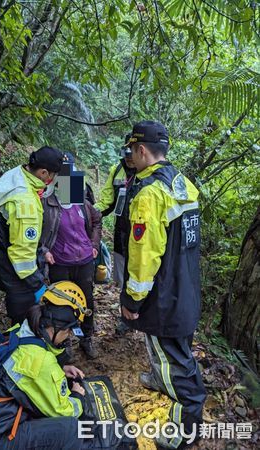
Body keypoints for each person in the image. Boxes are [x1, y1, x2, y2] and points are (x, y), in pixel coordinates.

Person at [121, 120, 206, 450]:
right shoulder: (183, 183)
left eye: (132, 150)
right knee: (177, 352)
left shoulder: (150, 194)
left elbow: (144, 258)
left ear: (142, 150)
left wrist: (132, 301)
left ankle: (186, 429)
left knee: (176, 363)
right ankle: (160, 379)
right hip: (187, 290)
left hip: (165, 297)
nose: (130, 156)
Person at [0, 281, 88, 450]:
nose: (69, 336)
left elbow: (26, 370)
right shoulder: (41, 361)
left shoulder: (21, 331)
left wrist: (60, 370)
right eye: (69, 330)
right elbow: (64, 411)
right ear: (57, 326)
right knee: (72, 430)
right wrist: (77, 396)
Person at [0, 146, 63, 324]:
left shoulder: (16, 175)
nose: (53, 180)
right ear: (43, 173)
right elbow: (22, 255)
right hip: (14, 273)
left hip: (2, 262)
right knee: (25, 321)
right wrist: (37, 285)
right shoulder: (26, 203)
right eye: (53, 176)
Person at [40, 153, 102, 359]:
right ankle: (63, 341)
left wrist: (93, 244)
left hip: (84, 261)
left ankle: (86, 337)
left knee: (87, 300)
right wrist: (44, 250)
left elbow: (97, 220)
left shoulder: (82, 202)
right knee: (61, 302)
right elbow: (38, 231)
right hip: (60, 262)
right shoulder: (47, 204)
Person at [94, 134, 136, 335]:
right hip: (121, 235)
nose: (129, 158)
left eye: (132, 153)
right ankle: (126, 318)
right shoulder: (117, 170)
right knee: (123, 279)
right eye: (126, 153)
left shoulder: (150, 173)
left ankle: (141, 316)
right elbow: (107, 201)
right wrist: (88, 214)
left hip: (143, 238)